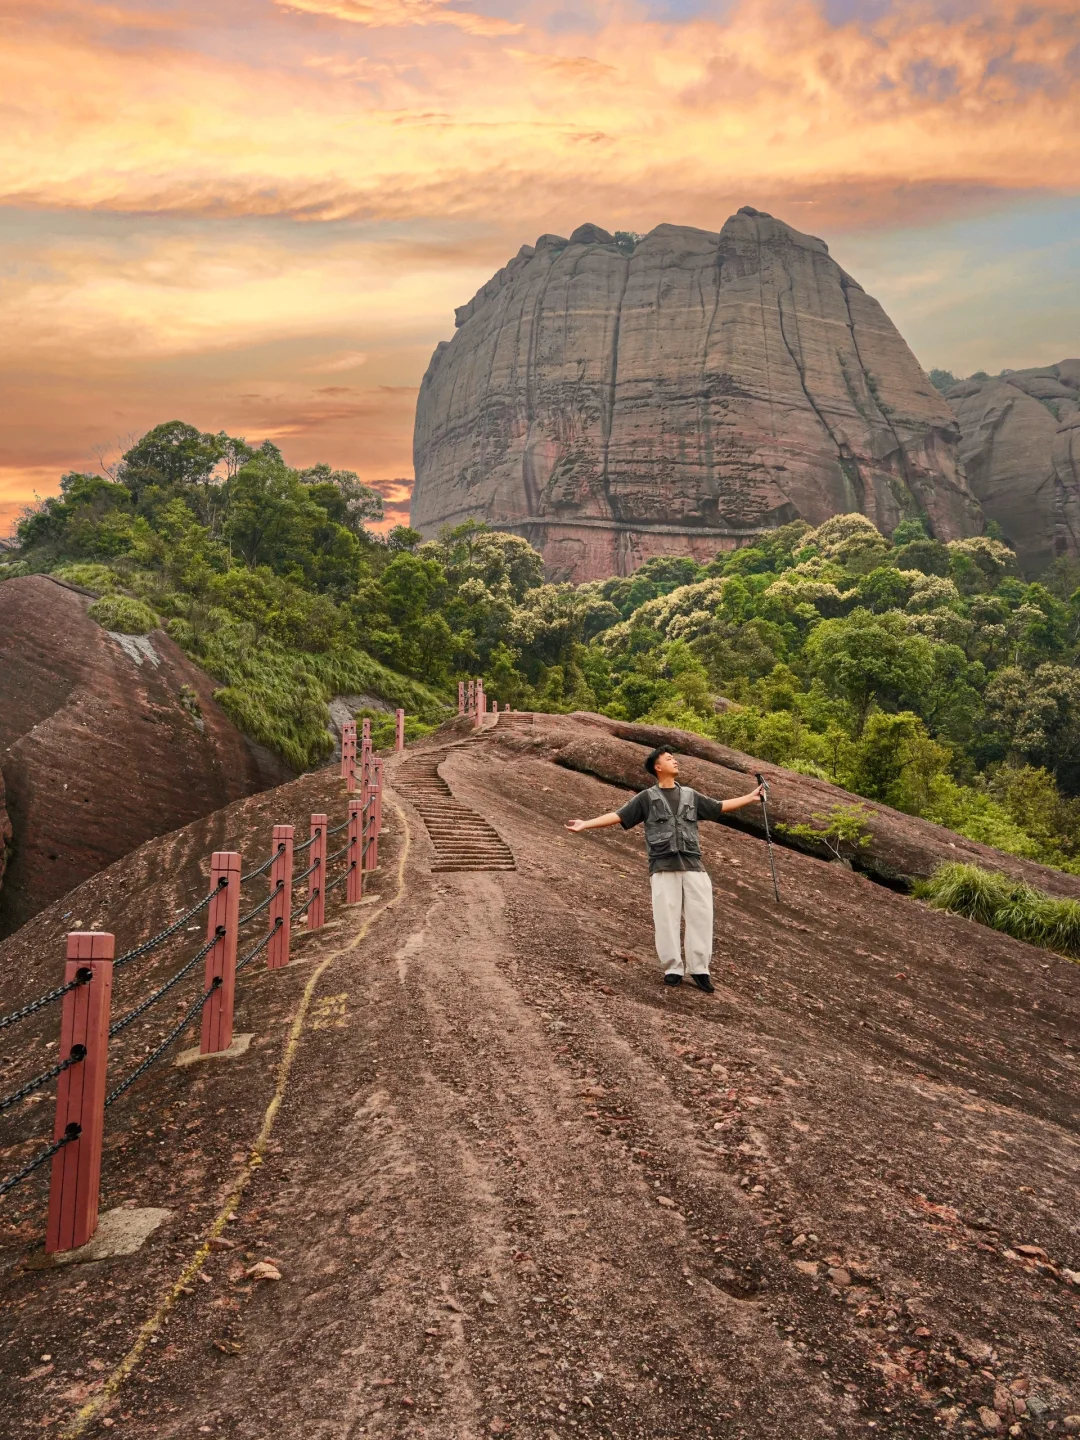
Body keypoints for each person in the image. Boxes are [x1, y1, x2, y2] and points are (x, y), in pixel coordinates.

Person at [565, 746, 765, 993]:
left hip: (694, 866)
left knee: (701, 917)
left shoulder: (691, 795)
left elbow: (719, 806)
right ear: (658, 767)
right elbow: (618, 815)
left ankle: (700, 969)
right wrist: (586, 824)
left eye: (675, 758)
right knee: (666, 919)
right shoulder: (646, 798)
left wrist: (751, 797)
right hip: (662, 866)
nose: (675, 761)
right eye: (669, 759)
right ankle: (673, 968)